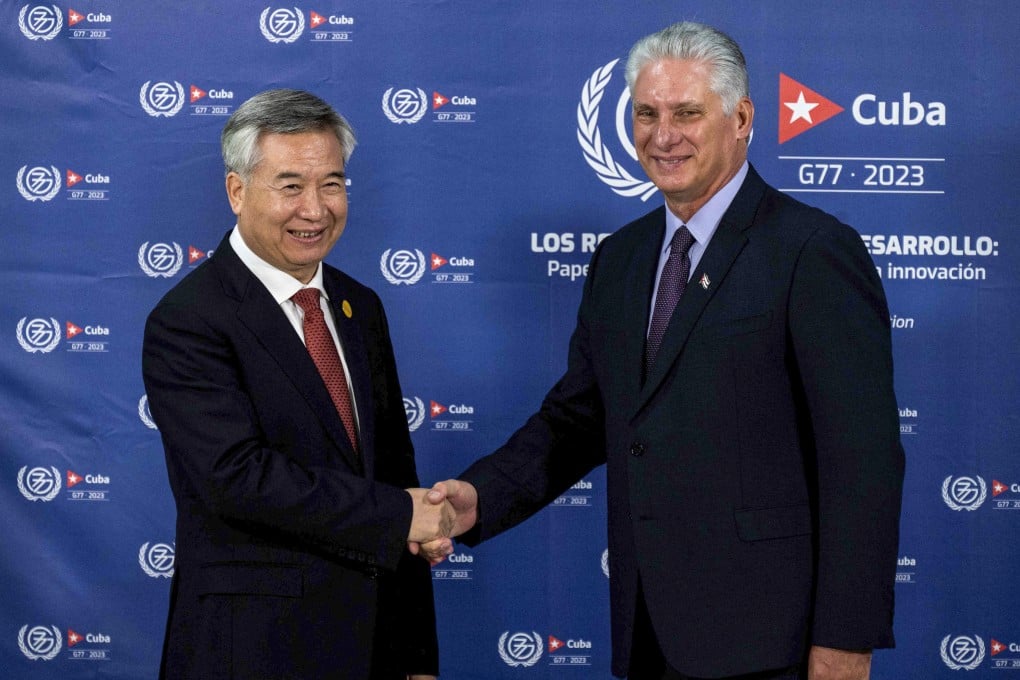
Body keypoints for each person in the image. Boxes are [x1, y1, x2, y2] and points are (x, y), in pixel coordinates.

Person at [415, 22, 904, 680]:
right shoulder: (620, 259)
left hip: (775, 644)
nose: (662, 135)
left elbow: (863, 462)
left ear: (742, 117)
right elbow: (579, 418)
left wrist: (846, 640)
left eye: (687, 113)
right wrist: (480, 496)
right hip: (648, 632)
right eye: (646, 113)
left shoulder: (811, 251)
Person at [142, 89, 452, 680]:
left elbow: (396, 478)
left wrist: (417, 657)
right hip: (253, 651)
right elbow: (235, 478)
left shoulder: (361, 306)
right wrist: (395, 514)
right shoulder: (189, 318)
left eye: (331, 183)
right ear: (237, 191)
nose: (315, 209)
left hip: (374, 650)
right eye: (290, 186)